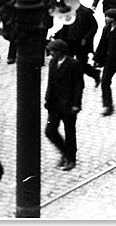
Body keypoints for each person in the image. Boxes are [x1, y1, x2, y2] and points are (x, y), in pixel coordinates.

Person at [44, 39, 84, 171]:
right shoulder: (53, 62)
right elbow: (50, 82)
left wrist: (76, 104)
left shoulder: (73, 64)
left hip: (68, 105)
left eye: (52, 51)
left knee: (69, 132)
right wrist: (47, 99)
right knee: (50, 131)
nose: (50, 54)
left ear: (60, 52)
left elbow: (79, 85)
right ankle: (65, 152)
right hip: (54, 104)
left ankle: (71, 158)